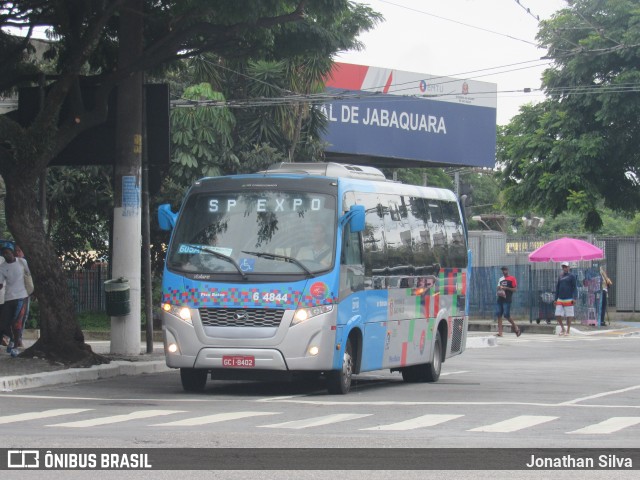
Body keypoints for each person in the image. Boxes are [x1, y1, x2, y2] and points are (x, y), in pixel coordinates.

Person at [0, 246, 31, 356]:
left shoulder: (22, 262)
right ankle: (12, 339)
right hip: (9, 297)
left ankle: (16, 346)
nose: (6, 255)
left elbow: (29, 275)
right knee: (4, 323)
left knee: (17, 322)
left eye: (8, 253)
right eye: (4, 254)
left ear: (12, 253)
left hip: (21, 297)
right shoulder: (2, 267)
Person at [495, 266, 521, 337]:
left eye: (505, 270)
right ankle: (500, 333)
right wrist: (499, 287)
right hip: (500, 298)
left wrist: (506, 288)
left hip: (507, 299)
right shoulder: (501, 279)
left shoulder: (512, 278)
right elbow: (497, 287)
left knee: (506, 315)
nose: (504, 271)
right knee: (499, 315)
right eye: (503, 270)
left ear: (507, 270)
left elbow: (515, 289)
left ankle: (515, 327)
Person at [555, 261, 578, 336]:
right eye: (563, 267)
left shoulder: (572, 276)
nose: (564, 268)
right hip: (560, 298)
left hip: (569, 298)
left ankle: (568, 330)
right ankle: (563, 328)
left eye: (566, 267)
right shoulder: (560, 276)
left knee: (569, 315)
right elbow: (557, 288)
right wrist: (555, 299)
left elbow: (575, 287)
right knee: (557, 314)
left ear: (568, 267)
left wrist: (575, 298)